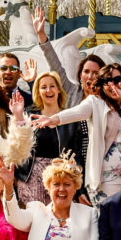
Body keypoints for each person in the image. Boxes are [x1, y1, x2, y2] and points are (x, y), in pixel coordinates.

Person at [29, 64, 121, 203]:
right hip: (105, 179)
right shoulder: (95, 103)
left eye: (117, 80)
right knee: (107, 221)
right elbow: (74, 112)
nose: (112, 85)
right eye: (107, 81)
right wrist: (52, 119)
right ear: (101, 85)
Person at [14, 70, 78, 205]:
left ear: (59, 90)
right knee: (34, 220)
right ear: (38, 92)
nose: (48, 90)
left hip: (61, 177)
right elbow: (18, 143)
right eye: (43, 87)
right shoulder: (29, 114)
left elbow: (76, 152)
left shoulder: (69, 117)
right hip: (31, 177)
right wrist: (19, 118)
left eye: (52, 86)